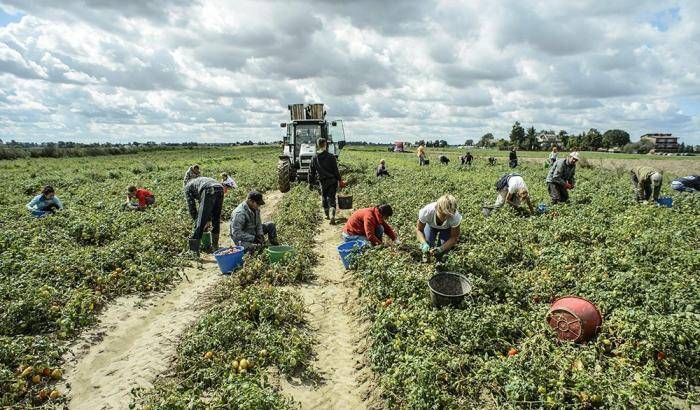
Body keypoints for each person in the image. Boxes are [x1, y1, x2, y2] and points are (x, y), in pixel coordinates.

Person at [184, 177, 224, 254]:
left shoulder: (187, 187)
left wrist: (197, 221)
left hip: (208, 188)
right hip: (220, 188)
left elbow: (191, 206)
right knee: (216, 218)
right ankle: (215, 247)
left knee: (200, 220)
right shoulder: (198, 183)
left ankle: (194, 252)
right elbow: (207, 206)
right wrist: (208, 220)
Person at [309, 138, 341, 224]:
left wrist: (310, 183)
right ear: (325, 144)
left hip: (322, 182)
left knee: (324, 197)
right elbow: (336, 170)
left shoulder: (314, 158)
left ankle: (327, 215)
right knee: (332, 198)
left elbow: (311, 172)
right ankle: (333, 216)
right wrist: (340, 180)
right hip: (332, 181)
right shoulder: (331, 156)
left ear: (318, 145)